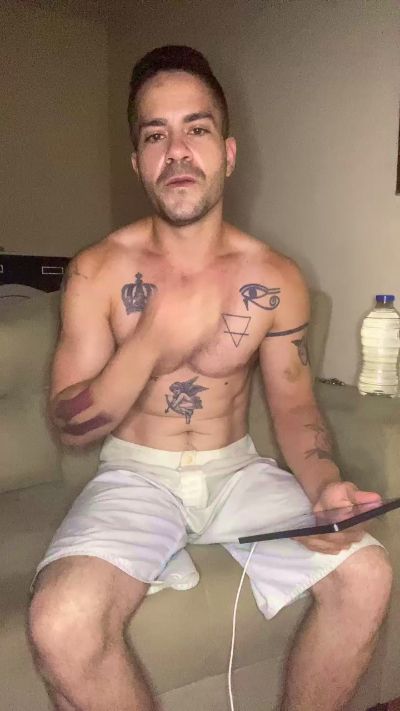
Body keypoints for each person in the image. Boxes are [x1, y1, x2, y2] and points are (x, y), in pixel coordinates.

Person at [27, 45, 392, 711]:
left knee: (367, 575)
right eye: (155, 135)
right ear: (138, 162)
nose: (177, 151)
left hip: (236, 470)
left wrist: (324, 486)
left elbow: (295, 406)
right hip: (136, 473)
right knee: (61, 623)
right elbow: (71, 425)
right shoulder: (97, 271)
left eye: (196, 129)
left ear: (227, 153)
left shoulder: (276, 278)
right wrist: (152, 339)